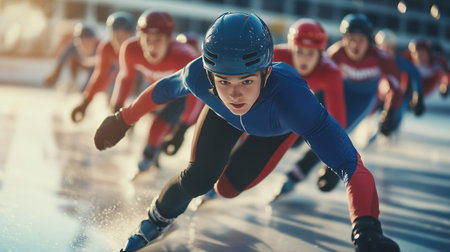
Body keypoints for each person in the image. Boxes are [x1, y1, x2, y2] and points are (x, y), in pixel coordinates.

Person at [93, 12, 400, 252]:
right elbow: (162, 91)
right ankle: (155, 219)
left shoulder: (295, 102)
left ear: (267, 71)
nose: (235, 95)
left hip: (275, 130)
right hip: (222, 120)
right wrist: (122, 120)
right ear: (210, 75)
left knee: (227, 189)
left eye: (247, 81)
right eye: (224, 81)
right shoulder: (198, 73)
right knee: (198, 178)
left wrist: (366, 227)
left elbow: (350, 163)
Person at [275, 14, 403, 195]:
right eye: (350, 39)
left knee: (332, 133)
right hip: (334, 92)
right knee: (300, 129)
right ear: (344, 40)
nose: (355, 45)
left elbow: (395, 86)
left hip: (360, 101)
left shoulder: (382, 58)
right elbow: (316, 78)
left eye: (360, 40)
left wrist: (390, 111)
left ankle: (296, 174)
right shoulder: (336, 54)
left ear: (370, 42)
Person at [108, 10, 202, 173]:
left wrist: (183, 128)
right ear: (139, 38)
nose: (152, 46)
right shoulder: (130, 49)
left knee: (158, 126)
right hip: (157, 88)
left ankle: (148, 155)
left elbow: (197, 94)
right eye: (147, 39)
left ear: (168, 39)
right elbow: (126, 78)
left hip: (183, 94)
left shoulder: (185, 56)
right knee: (141, 114)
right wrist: (117, 105)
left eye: (158, 40)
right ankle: (153, 154)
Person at [271, 18, 347, 197]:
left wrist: (335, 162)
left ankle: (298, 173)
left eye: (311, 54)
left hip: (318, 94)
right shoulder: (275, 56)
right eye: (300, 52)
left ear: (321, 54)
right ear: (291, 49)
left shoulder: (330, 73)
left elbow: (339, 123)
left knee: (325, 131)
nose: (304, 59)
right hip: (293, 96)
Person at [71, 11, 136, 123]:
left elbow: (130, 79)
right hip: (121, 77)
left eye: (123, 37)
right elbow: (100, 75)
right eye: (116, 36)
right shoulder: (106, 47)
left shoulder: (138, 50)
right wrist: (85, 103)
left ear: (131, 35)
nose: (120, 42)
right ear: (110, 35)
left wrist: (120, 104)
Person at [374, 28, 425, 132]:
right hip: (378, 95)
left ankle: (392, 131)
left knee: (397, 110)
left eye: (390, 48)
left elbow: (415, 73)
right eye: (383, 48)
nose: (386, 51)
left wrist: (417, 95)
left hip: (397, 95)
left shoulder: (399, 61)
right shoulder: (374, 59)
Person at [44, 22, 99, 92]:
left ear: (94, 41)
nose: (85, 46)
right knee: (71, 58)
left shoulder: (100, 48)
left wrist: (88, 87)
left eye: (89, 43)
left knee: (87, 88)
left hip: (95, 67)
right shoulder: (72, 47)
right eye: (82, 43)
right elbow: (61, 60)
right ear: (77, 42)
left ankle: (86, 86)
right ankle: (73, 81)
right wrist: (55, 74)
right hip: (81, 63)